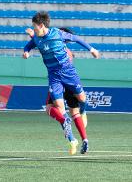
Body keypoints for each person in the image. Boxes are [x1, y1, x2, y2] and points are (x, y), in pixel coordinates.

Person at [23, 11, 99, 155]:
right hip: (54, 76)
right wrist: (26, 52)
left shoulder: (57, 34)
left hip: (69, 73)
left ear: (41, 25)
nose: (33, 29)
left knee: (82, 99)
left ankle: (82, 114)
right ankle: (70, 135)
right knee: (58, 107)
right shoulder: (37, 38)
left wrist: (92, 49)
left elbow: (76, 38)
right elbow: (29, 45)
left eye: (34, 26)